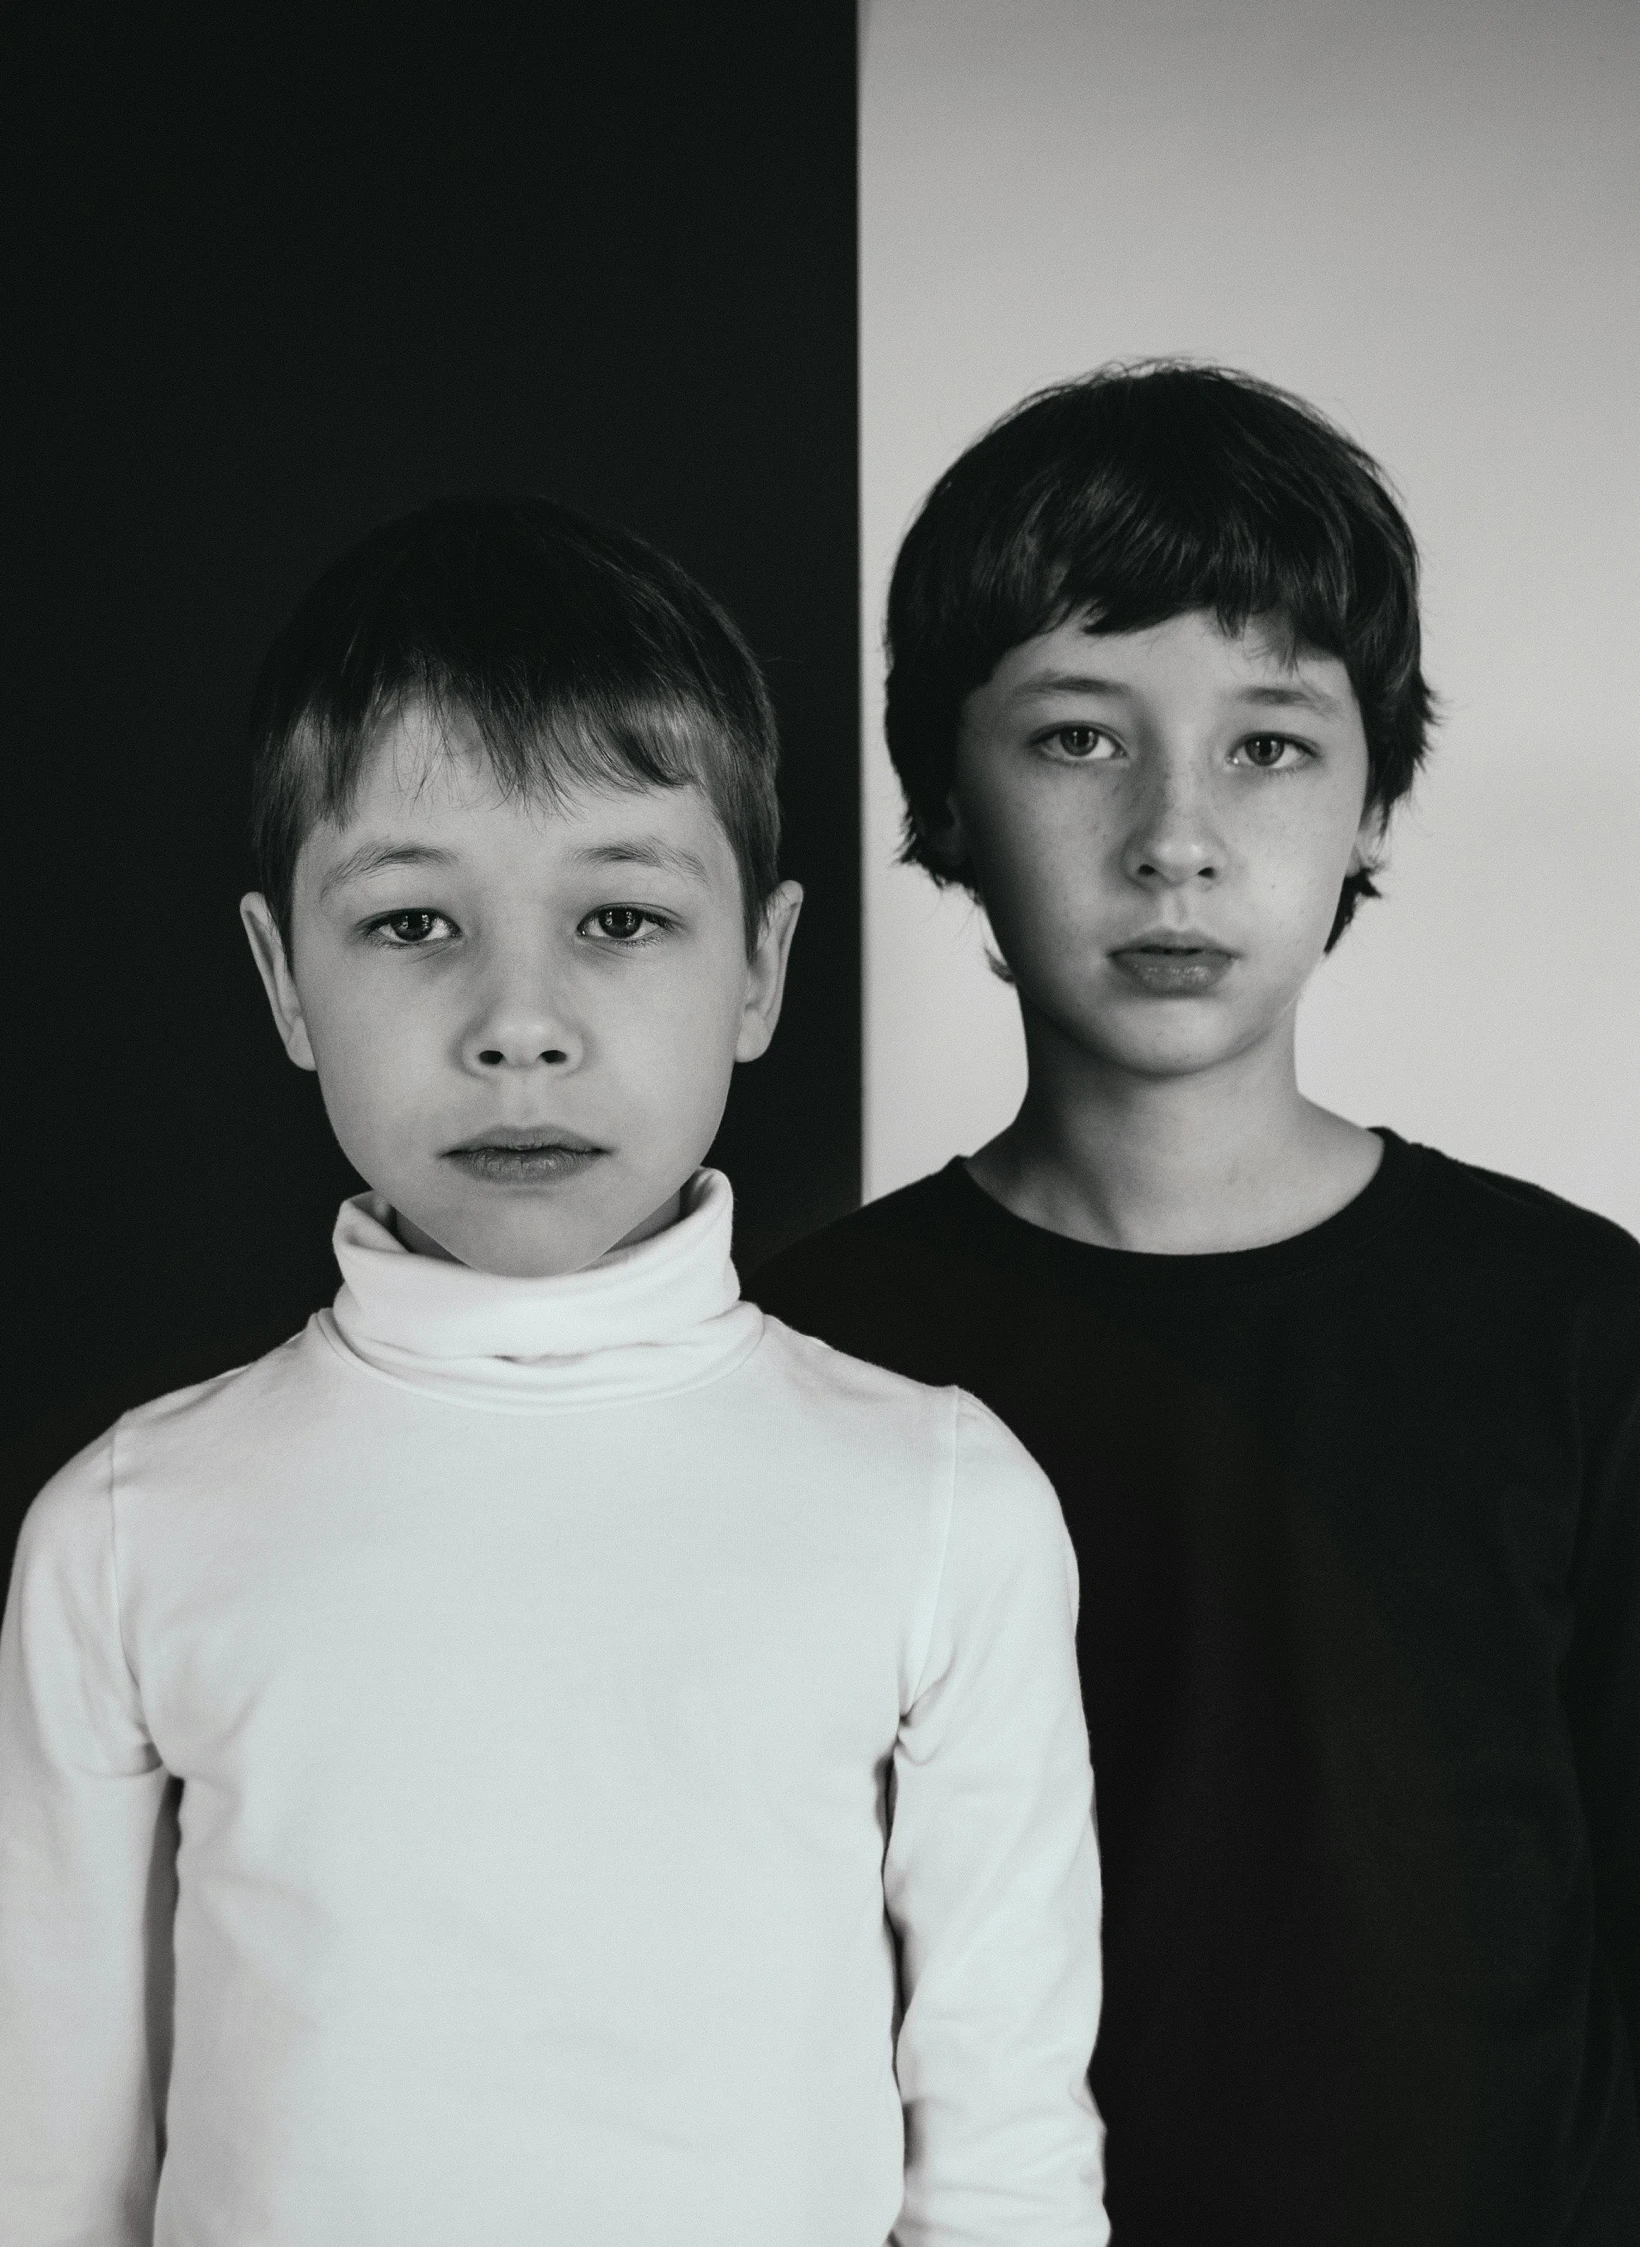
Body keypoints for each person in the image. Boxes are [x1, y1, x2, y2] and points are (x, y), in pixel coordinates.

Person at [0, 498, 1107, 2246]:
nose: (521, 1021)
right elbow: (48, 2175)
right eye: (412, 926)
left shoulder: (939, 1503)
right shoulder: (129, 1530)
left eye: (620, 919)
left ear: (762, 965)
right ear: (285, 981)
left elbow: (1005, 2175)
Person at [749, 364, 1640, 2246]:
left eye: (1269, 743)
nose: (1176, 835)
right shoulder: (801, 1359)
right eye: (1078, 738)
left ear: (1375, 792)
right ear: (942, 794)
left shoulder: (1577, 1329)